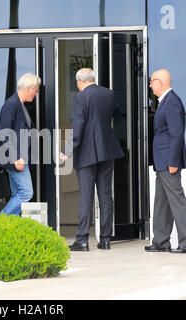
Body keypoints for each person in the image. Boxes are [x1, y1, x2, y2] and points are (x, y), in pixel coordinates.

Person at [60, 68, 124, 252]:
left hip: (87, 153)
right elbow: (117, 114)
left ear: (80, 81)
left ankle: (82, 240)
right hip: (107, 150)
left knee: (86, 198)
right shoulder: (108, 93)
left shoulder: (80, 97)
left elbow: (78, 127)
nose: (77, 86)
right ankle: (105, 239)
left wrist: (67, 150)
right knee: (105, 197)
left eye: (77, 83)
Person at [145, 69, 186, 254]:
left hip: (169, 162)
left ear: (160, 82)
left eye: (152, 82)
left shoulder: (172, 103)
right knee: (161, 201)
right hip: (162, 162)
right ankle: (161, 241)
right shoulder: (165, 102)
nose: (150, 85)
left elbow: (177, 135)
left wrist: (173, 161)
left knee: (176, 200)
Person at [0, 73, 41, 216]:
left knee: (17, 195)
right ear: (28, 88)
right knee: (26, 193)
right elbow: (4, 132)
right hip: (15, 158)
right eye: (36, 90)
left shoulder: (20, 105)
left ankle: (8, 229)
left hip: (20, 158)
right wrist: (15, 157)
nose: (36, 93)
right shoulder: (11, 105)